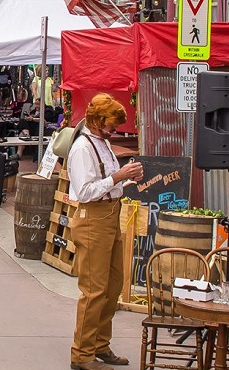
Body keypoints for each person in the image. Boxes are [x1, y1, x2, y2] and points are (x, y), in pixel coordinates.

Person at [65, 93, 145, 370]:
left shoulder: (103, 143)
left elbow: (108, 184)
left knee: (113, 285)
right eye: (112, 124)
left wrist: (127, 180)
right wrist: (118, 177)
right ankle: (82, 354)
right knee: (94, 290)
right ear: (98, 121)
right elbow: (85, 192)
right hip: (92, 220)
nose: (116, 130)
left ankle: (100, 344)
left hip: (109, 215)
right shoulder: (82, 148)